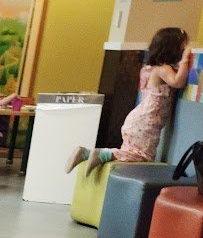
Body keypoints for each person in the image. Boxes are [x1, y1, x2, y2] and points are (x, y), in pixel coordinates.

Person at [67, 27, 191, 173]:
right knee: (142, 157)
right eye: (183, 47)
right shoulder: (162, 68)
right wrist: (185, 60)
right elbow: (177, 82)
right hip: (147, 121)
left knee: (131, 154)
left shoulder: (149, 69)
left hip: (139, 120)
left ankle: (86, 153)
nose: (184, 50)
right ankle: (103, 154)